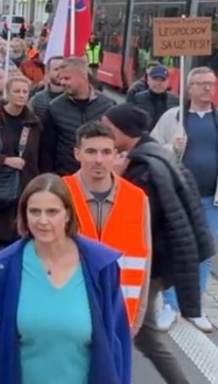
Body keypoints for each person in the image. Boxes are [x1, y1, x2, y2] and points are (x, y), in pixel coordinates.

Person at [0, 173, 132, 384]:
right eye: (34, 211)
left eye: (52, 212)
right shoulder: (5, 269)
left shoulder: (101, 268)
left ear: (67, 214)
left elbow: (118, 343)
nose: (43, 221)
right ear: (24, 215)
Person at [102, 104, 212, 384]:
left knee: (135, 332)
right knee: (140, 334)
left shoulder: (142, 168)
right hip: (161, 260)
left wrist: (116, 180)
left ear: (123, 132)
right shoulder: (155, 154)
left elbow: (136, 219)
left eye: (108, 128)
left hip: (150, 265)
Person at [150, 66, 218, 332]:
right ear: (189, 88)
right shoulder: (173, 117)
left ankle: (195, 306)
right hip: (178, 196)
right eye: (201, 84)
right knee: (176, 249)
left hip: (212, 198)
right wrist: (171, 148)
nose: (207, 89)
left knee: (204, 253)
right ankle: (170, 303)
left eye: (211, 84)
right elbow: (152, 150)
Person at [61, 121, 152, 331]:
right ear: (77, 154)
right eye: (91, 152)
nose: (99, 160)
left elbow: (144, 262)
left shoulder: (137, 199)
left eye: (106, 152)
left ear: (115, 155)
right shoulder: (58, 193)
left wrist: (137, 319)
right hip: (68, 318)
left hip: (118, 318)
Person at [0, 74, 43, 249]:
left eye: (25, 92)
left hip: (25, 186)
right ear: (7, 93)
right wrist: (4, 160)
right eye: (16, 91)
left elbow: (40, 157)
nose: (21, 95)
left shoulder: (34, 123)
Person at [39, 57, 116, 176]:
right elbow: (46, 150)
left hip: (99, 176)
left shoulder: (108, 105)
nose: (62, 82)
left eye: (67, 78)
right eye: (60, 78)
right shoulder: (54, 108)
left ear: (83, 77)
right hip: (66, 176)